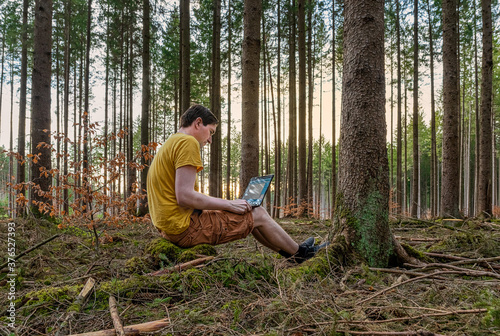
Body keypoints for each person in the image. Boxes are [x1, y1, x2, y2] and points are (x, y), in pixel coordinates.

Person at [147, 104, 326, 263]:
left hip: (172, 226)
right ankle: (301, 254)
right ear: (198, 123)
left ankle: (292, 253)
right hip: (185, 229)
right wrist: (229, 204)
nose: (209, 140)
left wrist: (226, 206)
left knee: (249, 210)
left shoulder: (170, 143)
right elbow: (184, 196)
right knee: (259, 213)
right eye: (211, 132)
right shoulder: (187, 142)